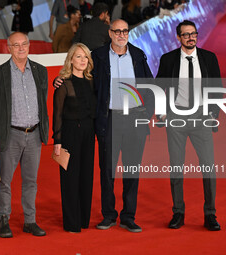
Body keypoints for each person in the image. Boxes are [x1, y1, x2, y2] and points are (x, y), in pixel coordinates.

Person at [55, 19, 154, 233]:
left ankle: (128, 216)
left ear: (128, 33)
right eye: (117, 31)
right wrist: (60, 80)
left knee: (131, 169)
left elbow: (151, 85)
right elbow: (81, 74)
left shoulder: (138, 55)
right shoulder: (98, 56)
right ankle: (109, 215)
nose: (121, 34)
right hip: (109, 119)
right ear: (109, 33)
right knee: (106, 170)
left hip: (134, 119)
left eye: (125, 31)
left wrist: (146, 114)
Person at [156, 20, 222, 231]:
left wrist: (213, 114)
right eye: (186, 35)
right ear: (179, 38)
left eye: (193, 34)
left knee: (209, 167)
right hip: (176, 118)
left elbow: (217, 88)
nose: (190, 37)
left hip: (201, 118)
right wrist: (161, 112)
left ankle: (210, 214)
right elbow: (158, 87)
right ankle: (178, 213)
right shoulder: (168, 60)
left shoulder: (209, 58)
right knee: (176, 166)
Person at [0, 32, 49, 238]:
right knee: (4, 181)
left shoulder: (40, 71)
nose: (21, 48)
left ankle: (29, 221)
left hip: (34, 135)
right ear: (8, 48)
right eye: (16, 45)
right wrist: (5, 127)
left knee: (31, 181)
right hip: (11, 134)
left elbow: (43, 102)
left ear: (29, 46)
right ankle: (3, 219)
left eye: (24, 44)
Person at [53, 43, 96, 233]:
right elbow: (57, 115)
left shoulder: (91, 81)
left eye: (85, 57)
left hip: (89, 133)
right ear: (71, 59)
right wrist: (57, 142)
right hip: (70, 133)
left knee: (86, 176)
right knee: (70, 178)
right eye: (78, 56)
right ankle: (72, 222)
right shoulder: (63, 83)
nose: (82, 60)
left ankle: (84, 219)